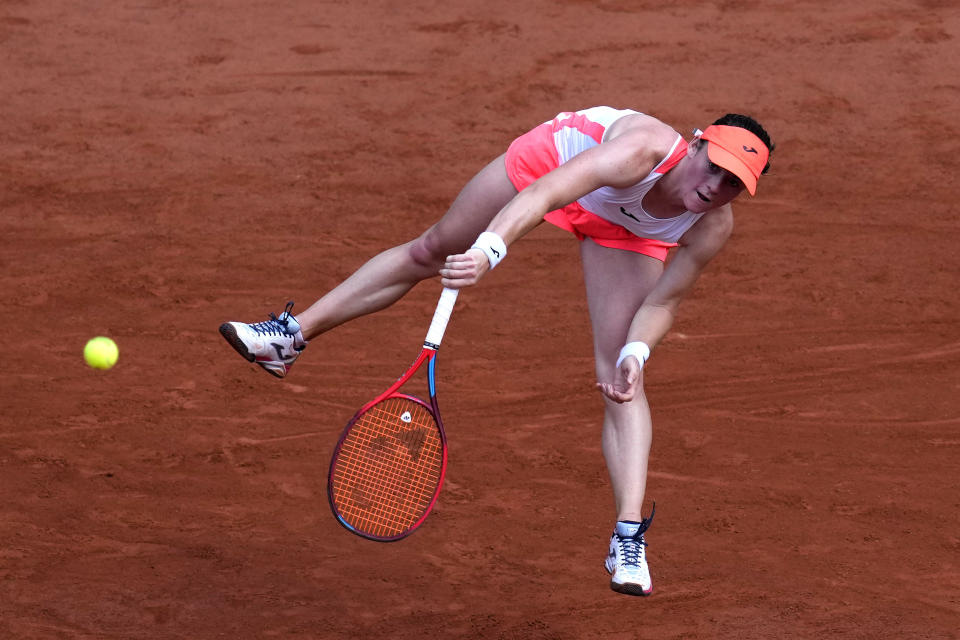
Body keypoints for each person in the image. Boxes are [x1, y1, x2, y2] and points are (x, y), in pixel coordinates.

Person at [219, 106, 774, 597]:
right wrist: (488, 251)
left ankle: (628, 537)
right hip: (552, 167)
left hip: (625, 234)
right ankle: (289, 338)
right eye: (714, 166)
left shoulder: (711, 225)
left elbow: (664, 303)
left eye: (733, 183)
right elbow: (545, 194)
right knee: (434, 248)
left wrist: (638, 350)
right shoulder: (640, 151)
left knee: (620, 378)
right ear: (696, 142)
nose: (715, 186)